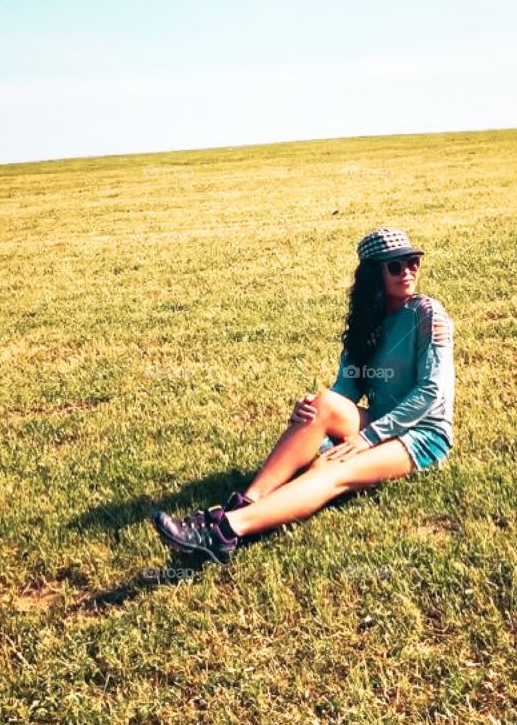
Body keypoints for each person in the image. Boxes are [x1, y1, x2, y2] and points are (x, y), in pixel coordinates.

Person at [151, 227, 455, 566]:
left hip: (421, 434)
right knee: (320, 404)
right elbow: (346, 389)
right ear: (373, 274)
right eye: (395, 266)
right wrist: (313, 412)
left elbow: (432, 392)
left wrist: (370, 437)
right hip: (382, 418)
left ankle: (223, 533)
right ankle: (248, 502)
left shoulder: (428, 313)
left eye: (412, 262)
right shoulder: (367, 322)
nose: (408, 271)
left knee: (331, 469)